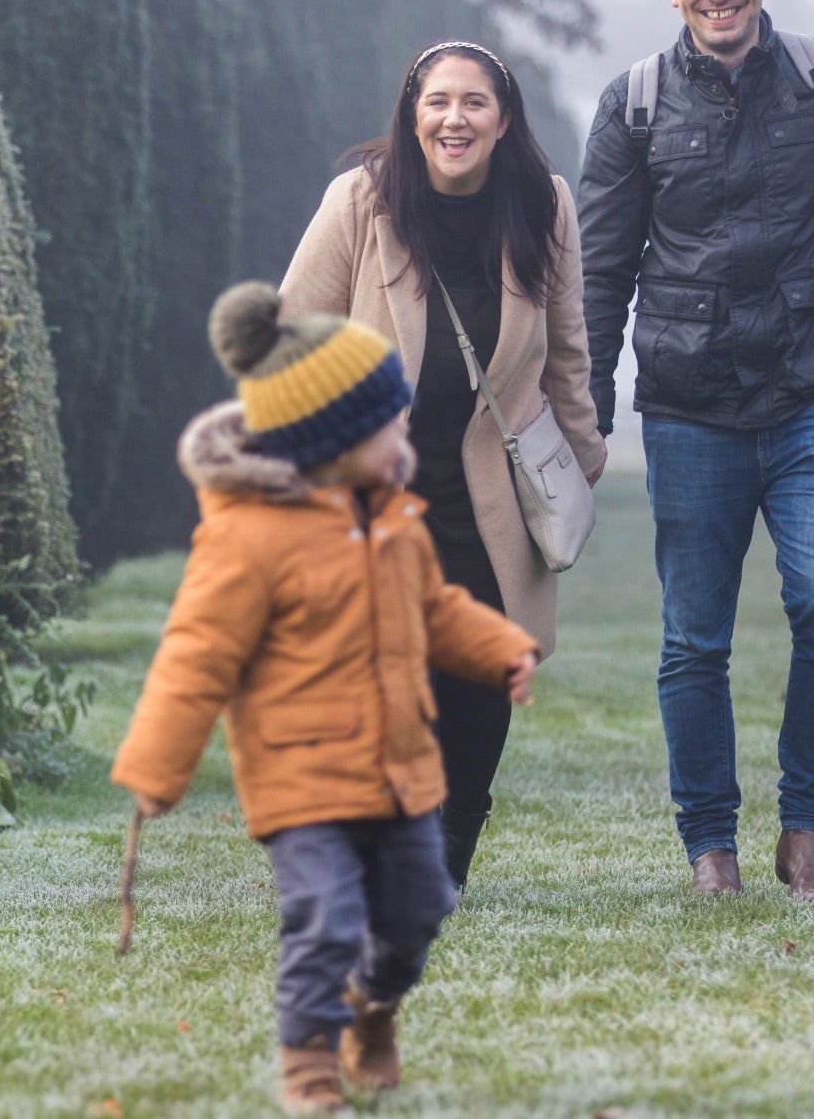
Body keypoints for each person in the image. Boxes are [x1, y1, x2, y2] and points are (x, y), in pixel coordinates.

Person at [110, 281, 540, 1115]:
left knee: (420, 908)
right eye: (387, 419)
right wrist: (157, 769)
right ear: (330, 438)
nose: (401, 430)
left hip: (400, 769)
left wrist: (500, 649)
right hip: (301, 781)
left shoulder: (393, 519)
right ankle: (307, 1062)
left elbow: (437, 610)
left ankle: (370, 1008)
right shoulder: (247, 538)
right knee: (326, 920)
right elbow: (194, 658)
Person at [577, 0, 814, 900]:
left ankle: (805, 834)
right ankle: (709, 848)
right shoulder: (631, 104)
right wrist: (591, 410)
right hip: (688, 410)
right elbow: (599, 277)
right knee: (693, 637)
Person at [279, 40, 605, 889]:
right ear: (413, 113)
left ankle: (454, 838)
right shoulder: (362, 201)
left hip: (488, 486)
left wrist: (582, 453)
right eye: (438, 102)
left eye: (474, 103)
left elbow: (567, 348)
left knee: (479, 681)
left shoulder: (545, 205)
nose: (454, 119)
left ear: (503, 119)